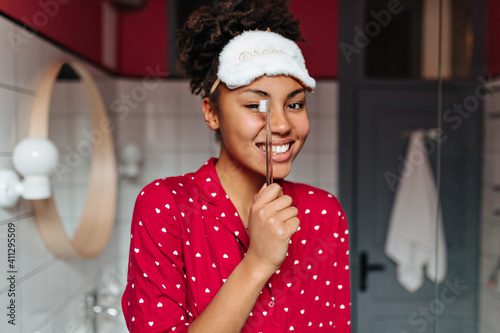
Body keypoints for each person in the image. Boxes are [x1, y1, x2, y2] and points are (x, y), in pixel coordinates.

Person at [121, 0, 351, 331]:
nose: (282, 124)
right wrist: (258, 261)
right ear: (211, 113)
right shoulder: (166, 205)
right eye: (256, 104)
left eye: (295, 104)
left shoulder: (324, 213)